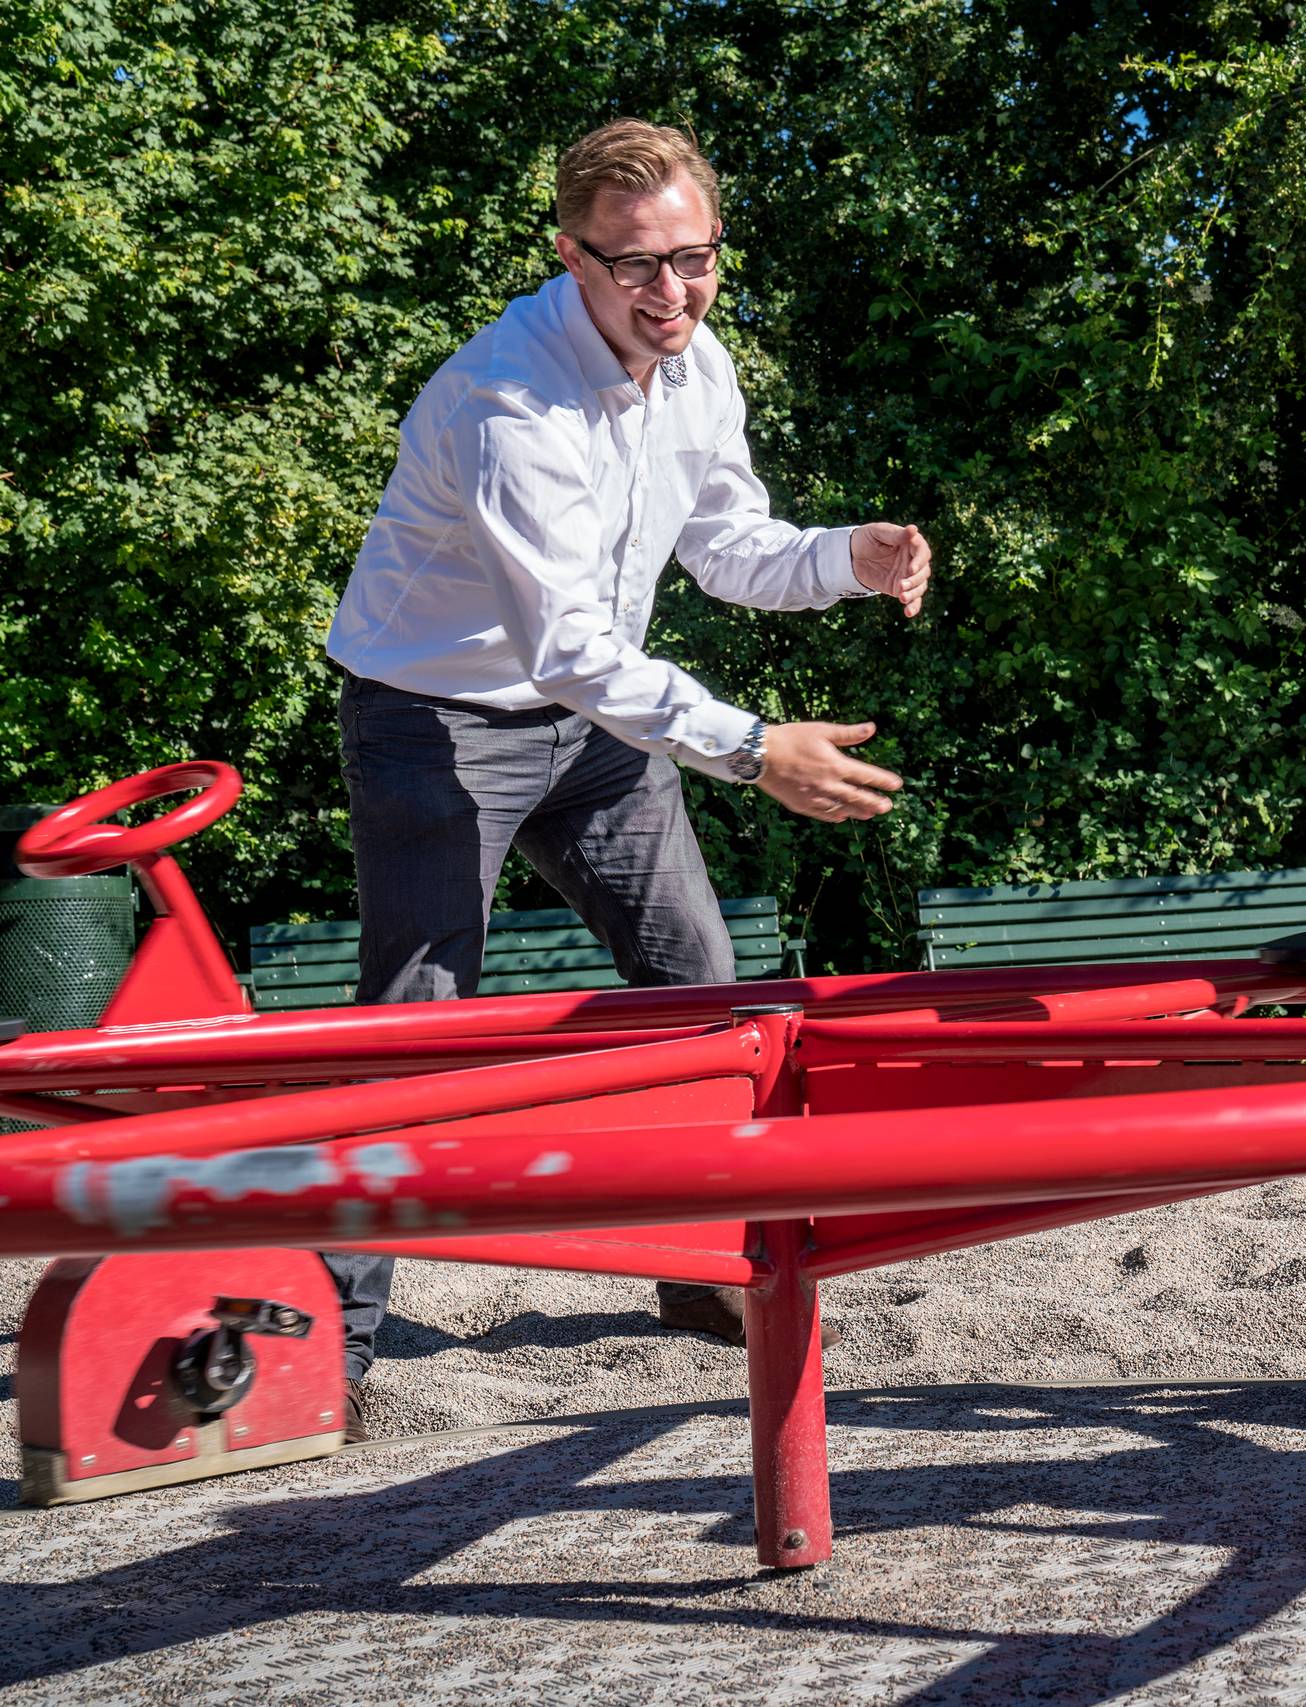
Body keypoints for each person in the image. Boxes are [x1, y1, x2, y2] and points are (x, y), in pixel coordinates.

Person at [321, 119, 932, 1427]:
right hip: (435, 718)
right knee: (416, 1020)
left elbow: (731, 548)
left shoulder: (698, 364)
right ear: (572, 257)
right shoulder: (510, 403)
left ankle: (708, 1264)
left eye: (694, 260)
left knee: (704, 986)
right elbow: (573, 648)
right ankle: (332, 1335)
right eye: (637, 268)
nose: (673, 293)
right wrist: (757, 748)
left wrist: (850, 558)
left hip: (594, 720)